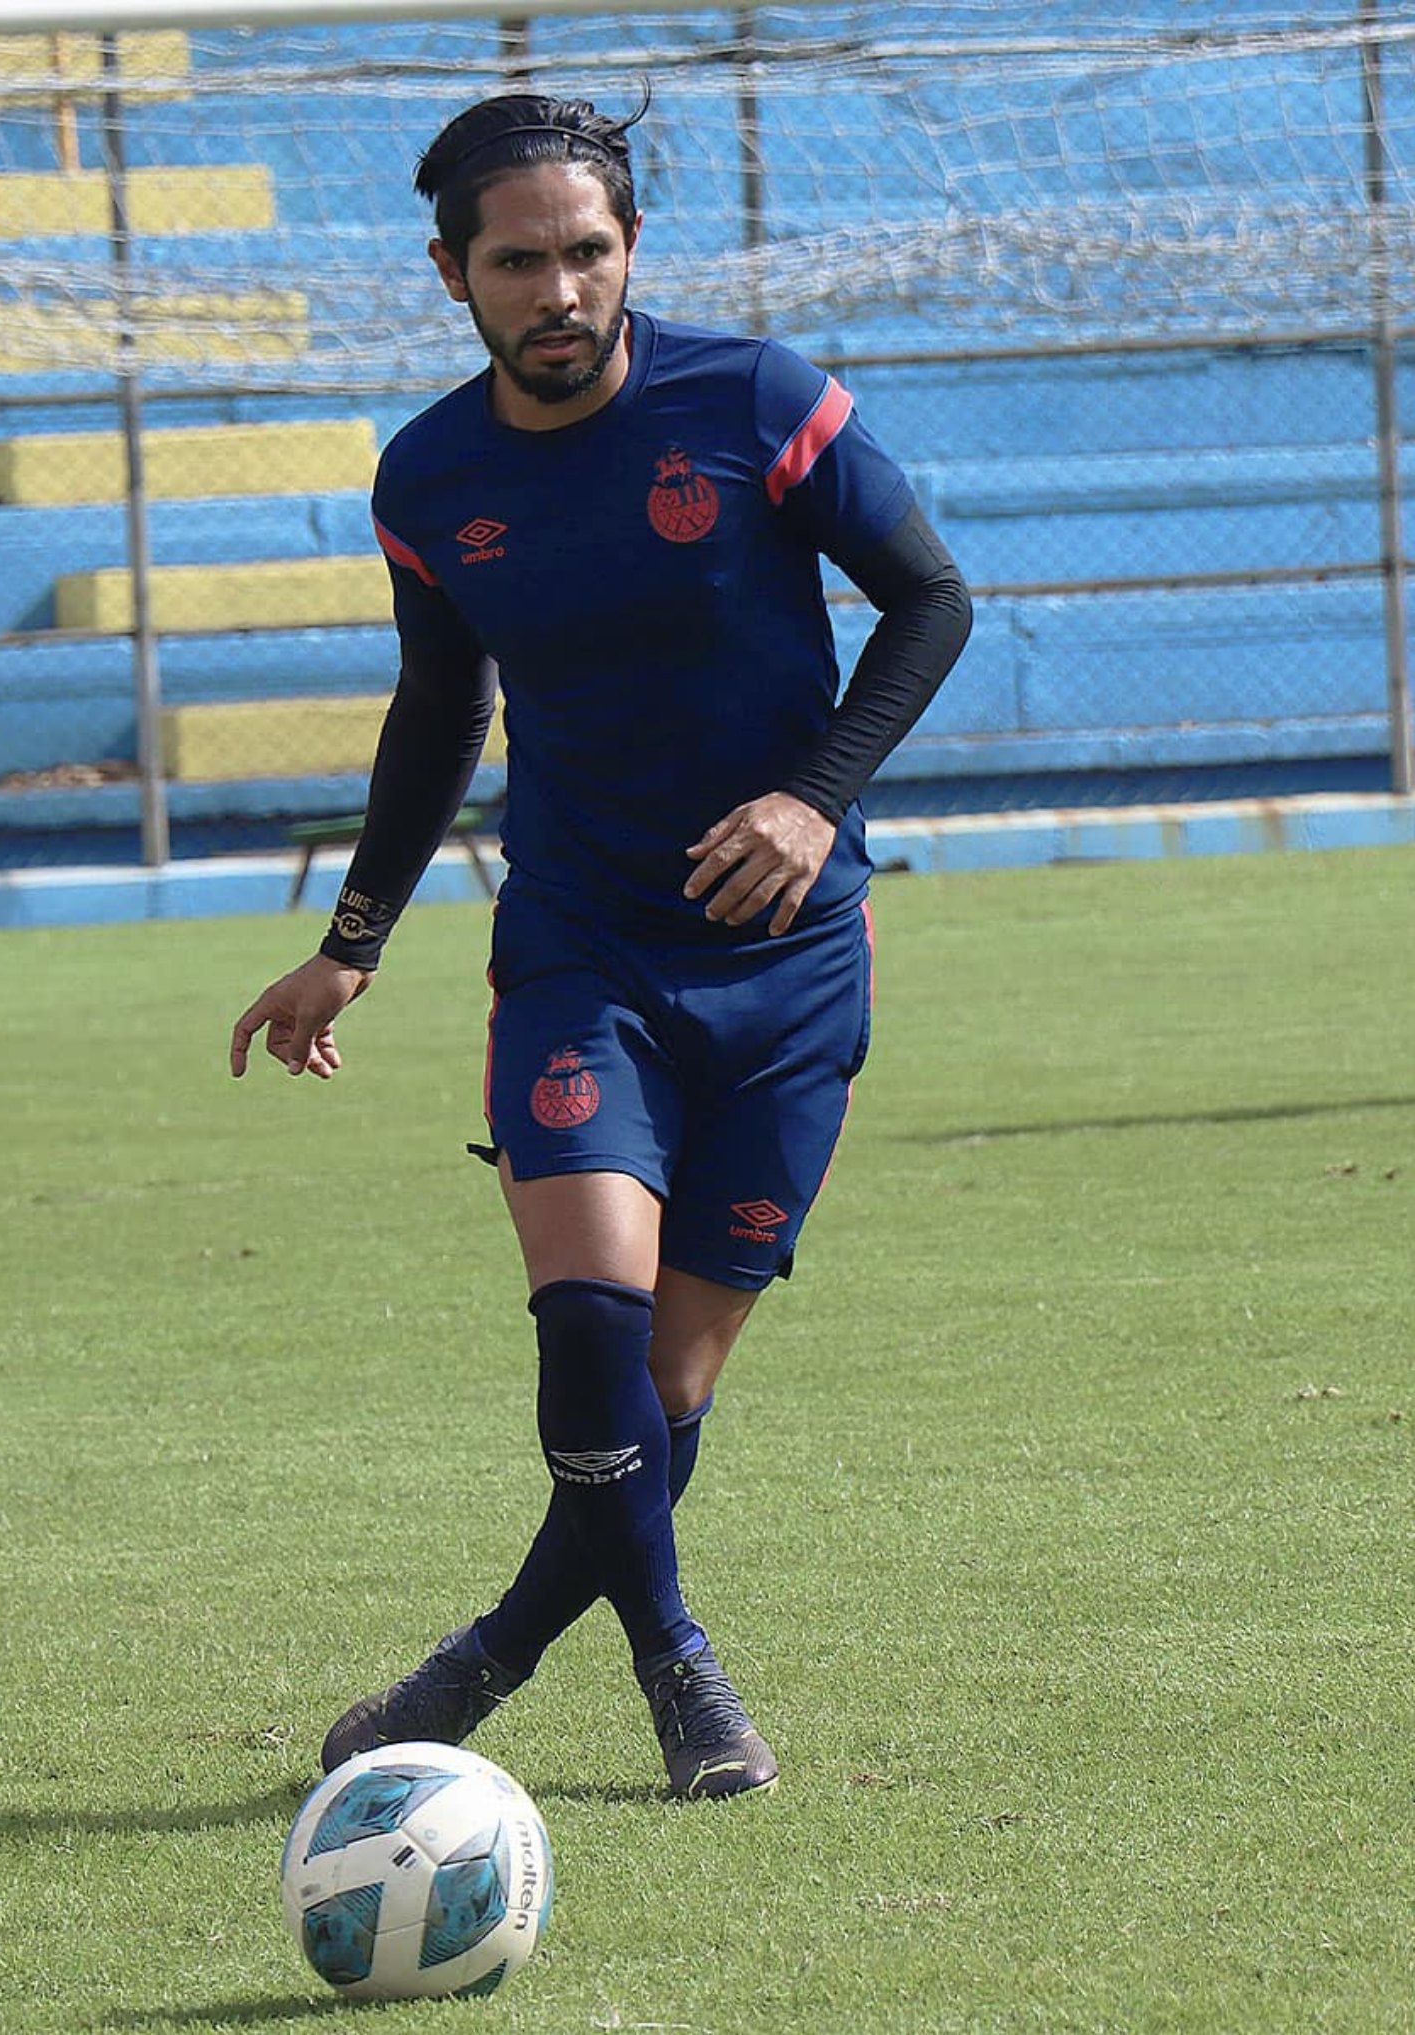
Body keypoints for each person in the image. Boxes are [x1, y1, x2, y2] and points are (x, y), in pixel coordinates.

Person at [226, 96, 971, 1800]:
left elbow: (932, 600)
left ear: (629, 253)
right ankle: (682, 1670)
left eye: (586, 252)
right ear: (452, 275)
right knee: (589, 1328)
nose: (557, 288)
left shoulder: (760, 401)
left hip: (791, 964)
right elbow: (438, 705)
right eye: (518, 261)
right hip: (577, 950)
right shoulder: (428, 476)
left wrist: (810, 798)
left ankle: (488, 1655)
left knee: (668, 1380)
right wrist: (354, 942)